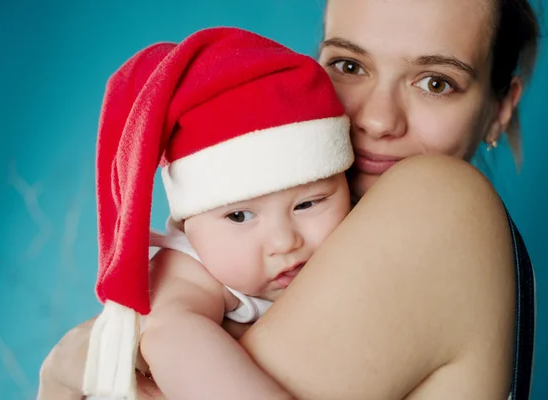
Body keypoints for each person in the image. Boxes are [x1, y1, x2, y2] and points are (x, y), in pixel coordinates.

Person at [38, 0, 540, 399]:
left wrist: (64, 381)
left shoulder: (439, 202)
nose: (378, 120)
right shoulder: (246, 248)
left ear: (501, 107)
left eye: (436, 82)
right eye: (349, 65)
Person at [81, 27, 354, 400]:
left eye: (307, 204)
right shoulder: (191, 269)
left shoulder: (370, 222)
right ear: (188, 224)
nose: (284, 241)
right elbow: (172, 333)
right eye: (240, 217)